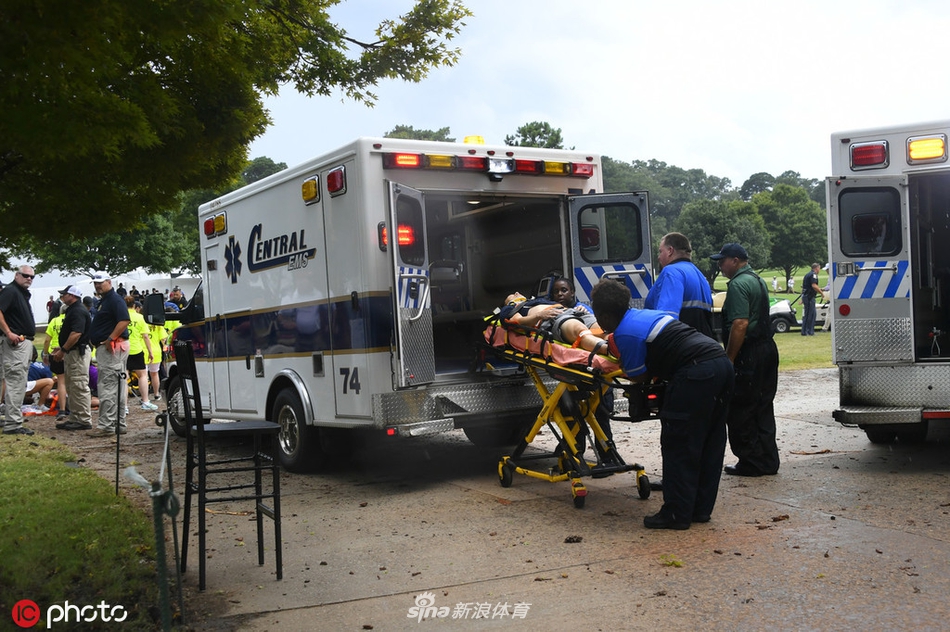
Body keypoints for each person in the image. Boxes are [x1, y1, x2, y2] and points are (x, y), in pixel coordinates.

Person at [590, 278, 733, 530]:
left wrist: (615, 364)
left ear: (605, 315)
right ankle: (699, 509)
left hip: (695, 373)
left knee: (680, 443)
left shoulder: (624, 332)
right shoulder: (644, 315)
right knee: (710, 439)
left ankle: (677, 513)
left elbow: (637, 375)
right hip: (720, 364)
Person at [711, 243, 780, 477]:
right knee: (763, 406)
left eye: (723, 260)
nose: (720, 265)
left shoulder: (739, 284)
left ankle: (750, 461)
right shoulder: (757, 279)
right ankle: (768, 460)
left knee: (741, 407)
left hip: (750, 352)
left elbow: (740, 323)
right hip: (767, 348)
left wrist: (729, 358)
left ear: (736, 260)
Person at [645, 232, 715, 338]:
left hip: (682, 346)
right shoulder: (699, 275)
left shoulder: (671, 272)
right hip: (703, 344)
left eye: (660, 252)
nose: (658, 257)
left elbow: (667, 319)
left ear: (670, 251)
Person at [88, 271, 131, 436]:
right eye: (95, 283)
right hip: (112, 348)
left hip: (112, 348)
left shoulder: (114, 299)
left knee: (108, 386)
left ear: (109, 282)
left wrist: (110, 338)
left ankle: (107, 425)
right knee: (118, 385)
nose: (97, 285)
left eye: (100, 282)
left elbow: (124, 319)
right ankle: (118, 423)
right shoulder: (105, 300)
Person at [500, 292, 606, 353]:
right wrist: (539, 315)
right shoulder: (510, 308)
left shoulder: (536, 301)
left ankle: (615, 343)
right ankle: (608, 349)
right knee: (580, 330)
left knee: (603, 328)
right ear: (509, 302)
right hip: (552, 318)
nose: (517, 293)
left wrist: (577, 308)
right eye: (513, 295)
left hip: (572, 312)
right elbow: (517, 322)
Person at [0, 265, 38, 435]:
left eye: (32, 277)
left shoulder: (20, 293)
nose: (29, 278)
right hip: (15, 344)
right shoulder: (10, 291)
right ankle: (13, 424)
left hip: (23, 342)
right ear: (16, 275)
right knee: (15, 382)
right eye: (25, 275)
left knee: (17, 382)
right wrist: (8, 332)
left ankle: (12, 420)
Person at [53, 285, 93, 431]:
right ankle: (75, 417)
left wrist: (63, 350)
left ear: (73, 296)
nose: (63, 296)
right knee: (71, 385)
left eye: (65, 294)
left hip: (77, 353)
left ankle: (83, 419)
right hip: (73, 352)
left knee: (79, 385)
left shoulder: (77, 311)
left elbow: (76, 333)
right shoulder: (74, 310)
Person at [125, 297, 158, 411]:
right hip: (137, 350)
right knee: (143, 376)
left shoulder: (121, 317)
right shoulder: (140, 318)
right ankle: (145, 401)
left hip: (124, 349)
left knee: (124, 378)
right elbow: (145, 336)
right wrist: (150, 352)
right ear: (134, 306)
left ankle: (124, 406)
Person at [43, 302, 67, 416]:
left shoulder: (54, 321)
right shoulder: (73, 319)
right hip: (69, 352)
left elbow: (47, 340)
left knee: (61, 382)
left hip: (55, 353)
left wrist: (45, 354)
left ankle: (62, 408)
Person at [801, 263, 821, 336]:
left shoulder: (807, 275)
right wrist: (821, 293)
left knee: (810, 314)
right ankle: (808, 331)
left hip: (806, 296)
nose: (819, 270)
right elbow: (814, 285)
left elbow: (804, 287)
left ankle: (806, 330)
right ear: (816, 268)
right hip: (810, 297)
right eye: (819, 268)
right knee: (810, 314)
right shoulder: (813, 275)